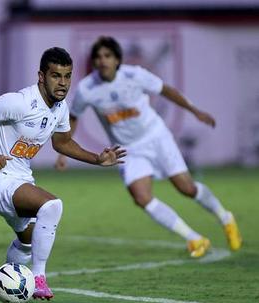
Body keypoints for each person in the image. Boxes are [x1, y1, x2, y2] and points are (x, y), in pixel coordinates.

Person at [55, 36, 242, 258]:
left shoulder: (135, 75)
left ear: (117, 60)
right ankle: (194, 238)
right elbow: (74, 116)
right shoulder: (87, 89)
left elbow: (166, 90)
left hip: (156, 137)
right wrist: (64, 149)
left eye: (107, 56)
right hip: (128, 148)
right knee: (141, 197)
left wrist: (195, 110)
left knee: (187, 188)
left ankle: (225, 217)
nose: (102, 61)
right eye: (98, 57)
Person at [0, 47, 126, 300]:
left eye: (67, 76)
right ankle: (39, 279)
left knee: (27, 242)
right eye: (56, 76)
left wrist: (97, 159)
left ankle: (2, 287)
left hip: (20, 180)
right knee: (51, 206)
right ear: (41, 76)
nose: (63, 83)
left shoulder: (59, 108)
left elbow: (62, 143)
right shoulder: (19, 102)